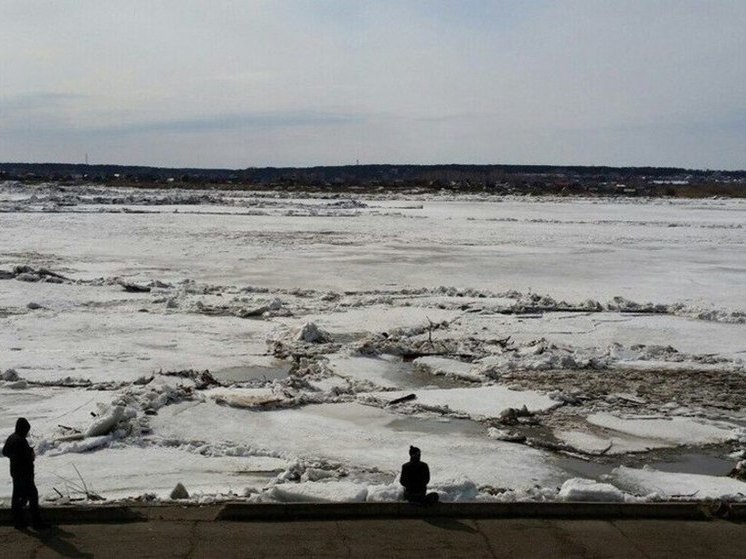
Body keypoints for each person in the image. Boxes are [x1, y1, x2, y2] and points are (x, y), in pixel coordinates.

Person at [2, 417, 47, 529]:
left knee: (17, 497)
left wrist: (14, 457)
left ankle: (19, 522)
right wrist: (30, 454)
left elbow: (5, 452)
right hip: (25, 474)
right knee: (33, 496)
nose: (27, 433)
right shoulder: (21, 441)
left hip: (15, 473)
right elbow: (27, 458)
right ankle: (36, 523)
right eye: (26, 430)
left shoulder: (11, 438)